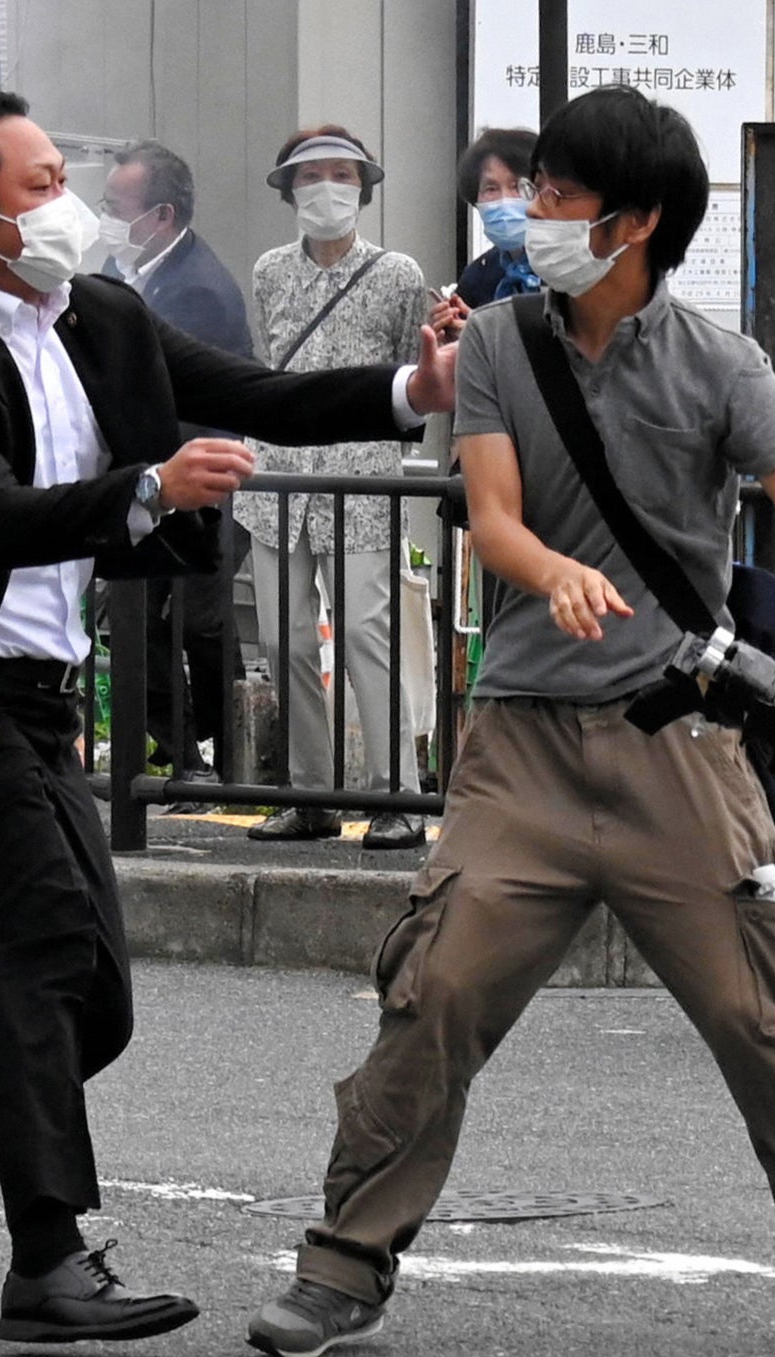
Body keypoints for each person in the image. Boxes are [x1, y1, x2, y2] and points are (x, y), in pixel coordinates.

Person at [0, 85, 455, 1347]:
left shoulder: (97, 314)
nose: (65, 201)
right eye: (35, 184)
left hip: (35, 694)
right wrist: (144, 486)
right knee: (44, 956)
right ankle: (46, 1266)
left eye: (61, 173)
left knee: (97, 1008)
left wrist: (415, 385)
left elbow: (258, 393)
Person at [247, 86, 775, 1357]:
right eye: (535, 187)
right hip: (523, 747)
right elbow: (490, 513)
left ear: (635, 220)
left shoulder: (724, 363)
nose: (530, 210)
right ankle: (342, 1266)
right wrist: (545, 566)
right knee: (432, 989)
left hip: (682, 745)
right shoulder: (499, 341)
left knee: (767, 1013)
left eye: (555, 193)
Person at [236, 125, 427, 851]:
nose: (326, 188)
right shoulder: (269, 271)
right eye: (309, 175)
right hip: (277, 476)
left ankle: (396, 795)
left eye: (342, 174)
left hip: (362, 479)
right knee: (282, 638)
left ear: (364, 187)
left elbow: (416, 374)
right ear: (288, 189)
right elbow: (266, 357)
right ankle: (310, 793)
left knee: (365, 635)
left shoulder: (400, 274)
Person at [98, 140, 251, 800]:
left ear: (161, 215)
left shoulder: (197, 289)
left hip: (196, 488)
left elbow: (166, 395)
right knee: (144, 621)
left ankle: (212, 758)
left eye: (114, 207)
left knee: (194, 623)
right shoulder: (125, 266)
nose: (104, 219)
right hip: (152, 481)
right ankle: (187, 755)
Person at [429, 126, 541, 344]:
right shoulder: (477, 277)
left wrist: (483, 336)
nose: (505, 200)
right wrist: (450, 335)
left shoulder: (568, 267)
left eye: (518, 186)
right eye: (490, 188)